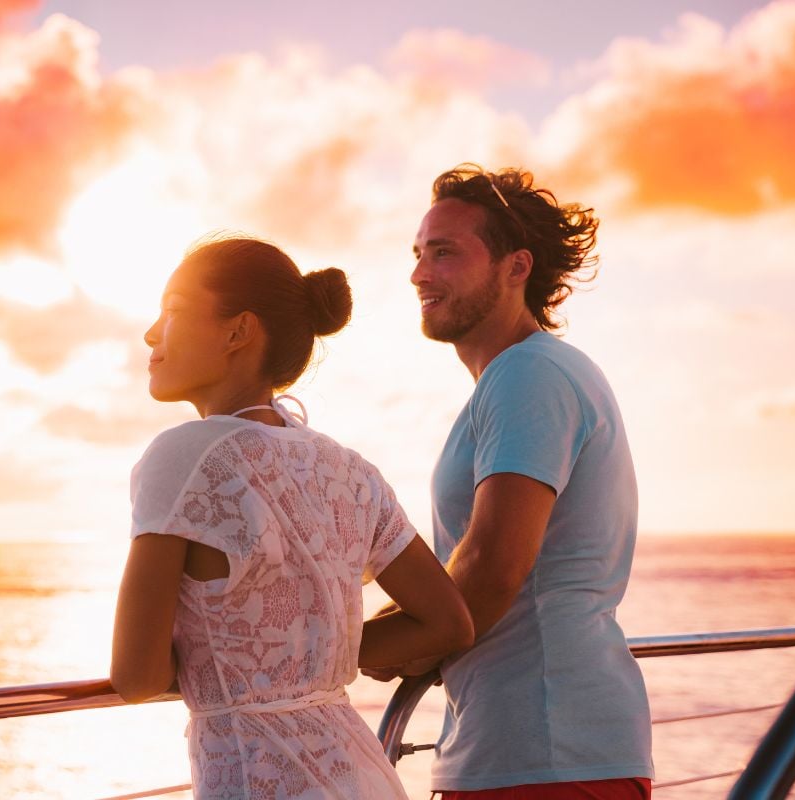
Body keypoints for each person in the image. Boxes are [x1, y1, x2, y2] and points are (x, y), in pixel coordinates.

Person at [110, 236, 474, 799]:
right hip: (363, 774)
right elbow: (448, 622)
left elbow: (137, 677)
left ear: (238, 331)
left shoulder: (181, 457)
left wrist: (251, 664)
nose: (152, 333)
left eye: (175, 311)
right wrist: (306, 659)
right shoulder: (349, 470)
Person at [365, 165, 654, 798]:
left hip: (549, 752)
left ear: (516, 267)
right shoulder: (525, 376)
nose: (419, 273)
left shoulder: (530, 375)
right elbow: (469, 573)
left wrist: (341, 647)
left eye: (444, 252)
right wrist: (399, 633)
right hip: (530, 749)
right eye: (418, 254)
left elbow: (493, 568)